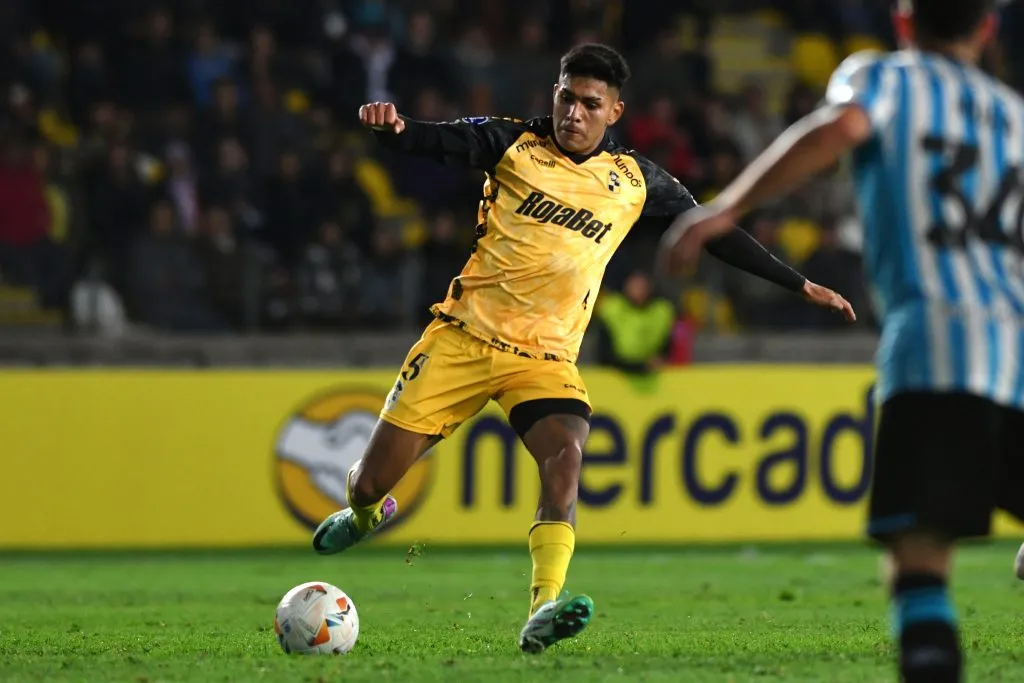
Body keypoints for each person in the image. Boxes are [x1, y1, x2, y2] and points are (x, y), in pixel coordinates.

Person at [314, 43, 854, 654]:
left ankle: (542, 608)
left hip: (544, 360)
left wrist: (799, 282)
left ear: (615, 111)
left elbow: (712, 232)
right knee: (367, 481)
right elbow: (441, 141)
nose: (574, 113)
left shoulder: (635, 180)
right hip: (462, 340)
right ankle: (365, 514)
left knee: (565, 457)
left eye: (590, 104)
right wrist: (397, 128)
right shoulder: (515, 144)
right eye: (566, 97)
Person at [660, 3, 1020, 682]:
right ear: (988, 29)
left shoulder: (885, 77)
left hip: (938, 342)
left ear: (905, 22)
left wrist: (727, 207)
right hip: (1020, 346)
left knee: (920, 556)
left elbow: (844, 124)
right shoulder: (1014, 114)